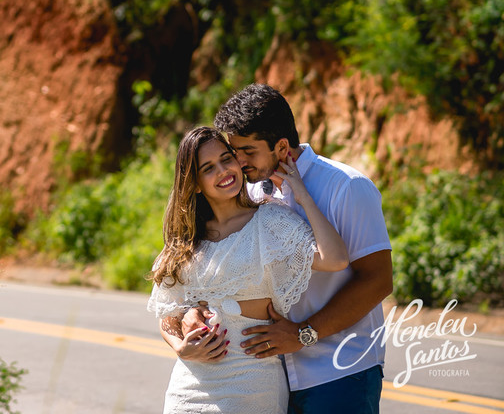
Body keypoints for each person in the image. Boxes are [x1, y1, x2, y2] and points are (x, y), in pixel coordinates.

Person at [193, 83, 394, 413]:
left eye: (247, 151)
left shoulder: (347, 187)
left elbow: (377, 281)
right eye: (234, 151)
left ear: (281, 146)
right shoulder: (252, 194)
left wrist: (303, 335)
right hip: (270, 377)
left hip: (340, 373)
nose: (238, 163)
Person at [148, 126, 349, 414]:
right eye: (208, 168)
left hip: (252, 385)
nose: (223, 171)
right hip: (189, 388)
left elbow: (335, 259)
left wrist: (302, 195)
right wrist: (180, 347)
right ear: (194, 183)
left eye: (226, 159)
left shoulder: (269, 222)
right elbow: (168, 314)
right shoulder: (186, 241)